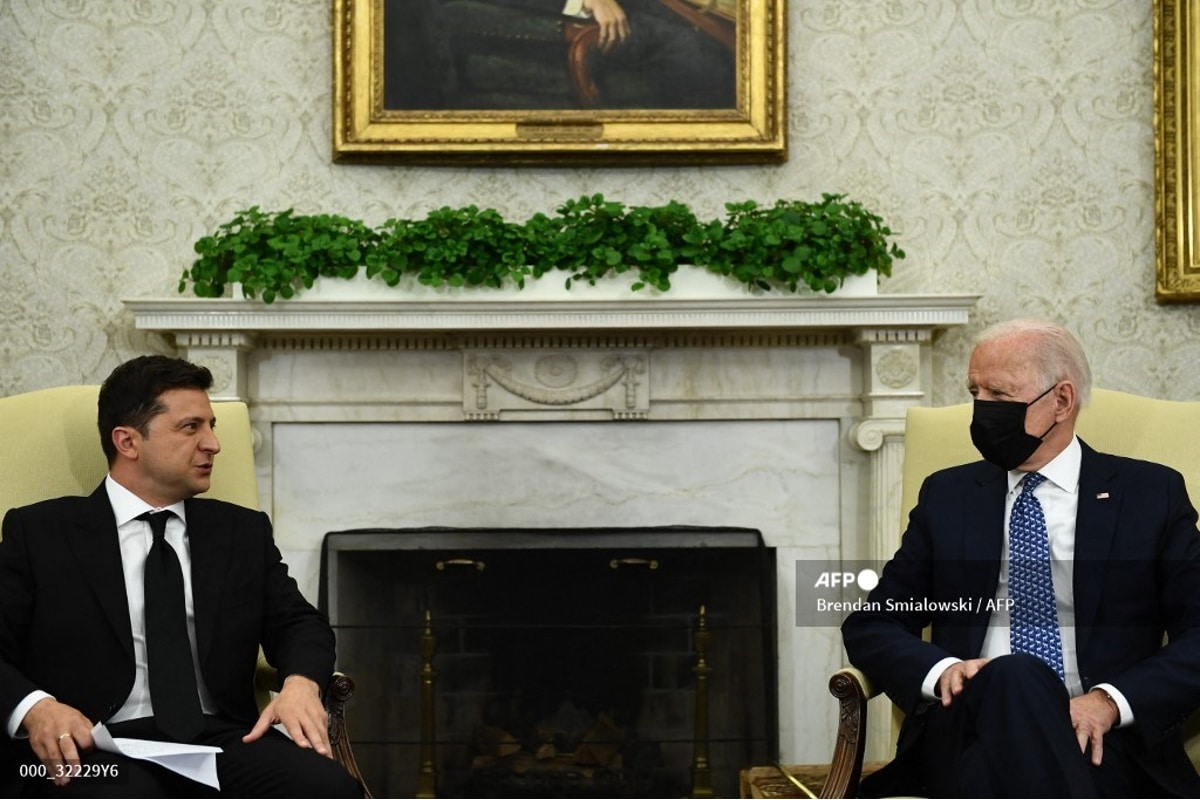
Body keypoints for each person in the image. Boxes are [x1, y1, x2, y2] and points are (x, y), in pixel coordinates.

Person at [841, 319, 1200, 797]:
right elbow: (875, 624)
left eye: (1000, 395)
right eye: (975, 392)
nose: (981, 410)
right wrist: (943, 671)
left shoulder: (1150, 495)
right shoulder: (950, 496)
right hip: (966, 722)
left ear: (1062, 400)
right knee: (1013, 674)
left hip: (1098, 735)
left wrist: (1109, 703)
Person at [0, 356, 361, 797]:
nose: (213, 443)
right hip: (91, 745)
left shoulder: (240, 532)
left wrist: (301, 683)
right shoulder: (40, 533)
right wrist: (37, 709)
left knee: (329, 788)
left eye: (211, 425)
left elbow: (298, 624)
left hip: (219, 741)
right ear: (128, 442)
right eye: (191, 428)